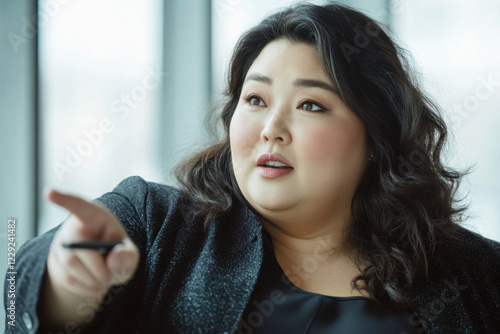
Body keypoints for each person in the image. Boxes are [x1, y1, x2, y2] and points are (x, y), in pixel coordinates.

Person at [5, 2, 500, 333]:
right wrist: (67, 280)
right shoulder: (156, 223)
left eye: (310, 105)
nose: (271, 128)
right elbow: (22, 297)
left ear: (377, 136)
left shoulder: (475, 274)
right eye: (256, 99)